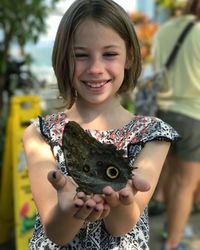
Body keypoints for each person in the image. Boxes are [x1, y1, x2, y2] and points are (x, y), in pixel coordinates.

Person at [23, 0, 180, 249]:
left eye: (109, 54)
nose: (95, 68)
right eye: (81, 55)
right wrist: (68, 209)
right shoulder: (40, 134)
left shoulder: (153, 135)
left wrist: (121, 201)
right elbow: (57, 234)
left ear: (129, 56)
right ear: (64, 59)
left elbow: (121, 227)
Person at [152, 0, 200, 249]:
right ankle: (173, 242)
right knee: (186, 184)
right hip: (193, 115)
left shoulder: (164, 30)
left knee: (171, 176)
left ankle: (172, 230)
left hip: (164, 112)